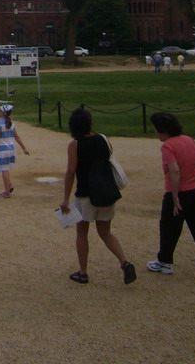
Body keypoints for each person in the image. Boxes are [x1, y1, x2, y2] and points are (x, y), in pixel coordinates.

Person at [59, 107, 137, 286]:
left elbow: (71, 172)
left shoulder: (75, 145)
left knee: (82, 233)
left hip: (86, 194)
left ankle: (83, 272)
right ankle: (124, 262)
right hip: (105, 191)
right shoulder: (103, 139)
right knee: (105, 232)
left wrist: (65, 198)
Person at [146, 112, 195, 285]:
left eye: (156, 130)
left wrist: (174, 196)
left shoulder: (167, 146)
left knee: (169, 228)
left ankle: (165, 262)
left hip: (179, 194)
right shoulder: (189, 139)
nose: (155, 133)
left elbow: (175, 171)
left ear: (163, 130)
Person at [0, 104, 29, 197]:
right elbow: (17, 137)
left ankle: (6, 191)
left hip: (2, 150)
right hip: (11, 149)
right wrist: (24, 148)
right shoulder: (12, 124)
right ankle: (9, 184)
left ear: (2, 113)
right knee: (5, 168)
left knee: (4, 170)